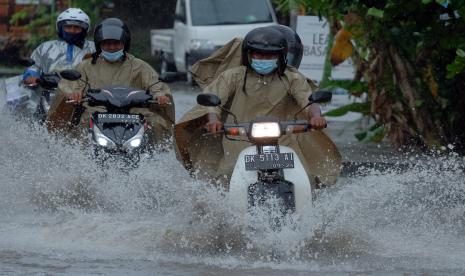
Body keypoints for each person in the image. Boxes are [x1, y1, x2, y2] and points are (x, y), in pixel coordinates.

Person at [175, 27, 341, 188]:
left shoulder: (293, 78)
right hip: (239, 139)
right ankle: (223, 215)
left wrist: (315, 117)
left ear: (280, 56)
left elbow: (307, 100)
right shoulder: (233, 76)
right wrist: (214, 120)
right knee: (225, 178)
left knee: (305, 179)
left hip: (284, 139)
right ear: (248, 54)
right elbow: (214, 100)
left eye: (270, 55)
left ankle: (309, 215)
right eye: (258, 54)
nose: (263, 58)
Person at [47, 18, 174, 146]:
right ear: (99, 44)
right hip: (96, 112)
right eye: (107, 44)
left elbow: (156, 84)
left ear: (124, 43)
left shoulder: (139, 65)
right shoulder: (86, 66)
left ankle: (156, 158)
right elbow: (70, 84)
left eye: (116, 43)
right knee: (82, 124)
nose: (112, 47)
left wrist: (160, 95)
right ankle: (81, 158)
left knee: (157, 123)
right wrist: (74, 93)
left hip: (135, 112)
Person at [22, 8, 95, 85]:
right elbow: (33, 66)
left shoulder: (93, 48)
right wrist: (31, 76)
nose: (72, 30)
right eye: (68, 27)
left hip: (85, 93)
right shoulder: (46, 48)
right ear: (61, 28)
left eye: (77, 27)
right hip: (49, 93)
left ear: (84, 30)